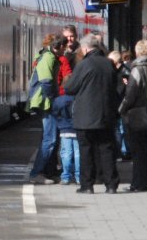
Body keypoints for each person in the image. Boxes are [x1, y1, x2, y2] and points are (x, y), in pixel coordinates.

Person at [62, 32, 120, 193]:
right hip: (106, 114)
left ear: (86, 48)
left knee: (86, 150)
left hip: (85, 116)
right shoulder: (109, 64)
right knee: (106, 149)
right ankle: (111, 185)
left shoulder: (84, 65)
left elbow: (70, 88)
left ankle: (87, 185)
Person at [120, 40, 147, 192]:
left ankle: (138, 183)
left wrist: (121, 109)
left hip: (137, 114)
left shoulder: (137, 70)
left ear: (138, 52)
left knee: (138, 151)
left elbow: (130, 95)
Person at [27, 34, 67, 185]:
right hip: (45, 102)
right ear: (60, 46)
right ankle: (36, 173)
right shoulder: (48, 58)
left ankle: (49, 171)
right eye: (65, 47)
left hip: (46, 101)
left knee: (51, 138)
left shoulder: (48, 56)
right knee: (50, 139)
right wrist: (55, 100)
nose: (65, 51)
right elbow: (46, 81)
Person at [52, 90, 79, 185]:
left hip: (64, 130)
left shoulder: (58, 100)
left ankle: (66, 177)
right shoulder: (79, 99)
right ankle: (79, 177)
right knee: (78, 153)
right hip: (77, 129)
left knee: (66, 153)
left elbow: (54, 113)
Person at [108, 50, 131, 159]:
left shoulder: (123, 73)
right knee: (122, 129)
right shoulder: (124, 71)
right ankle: (124, 151)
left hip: (120, 104)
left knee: (120, 129)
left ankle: (123, 151)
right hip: (121, 104)